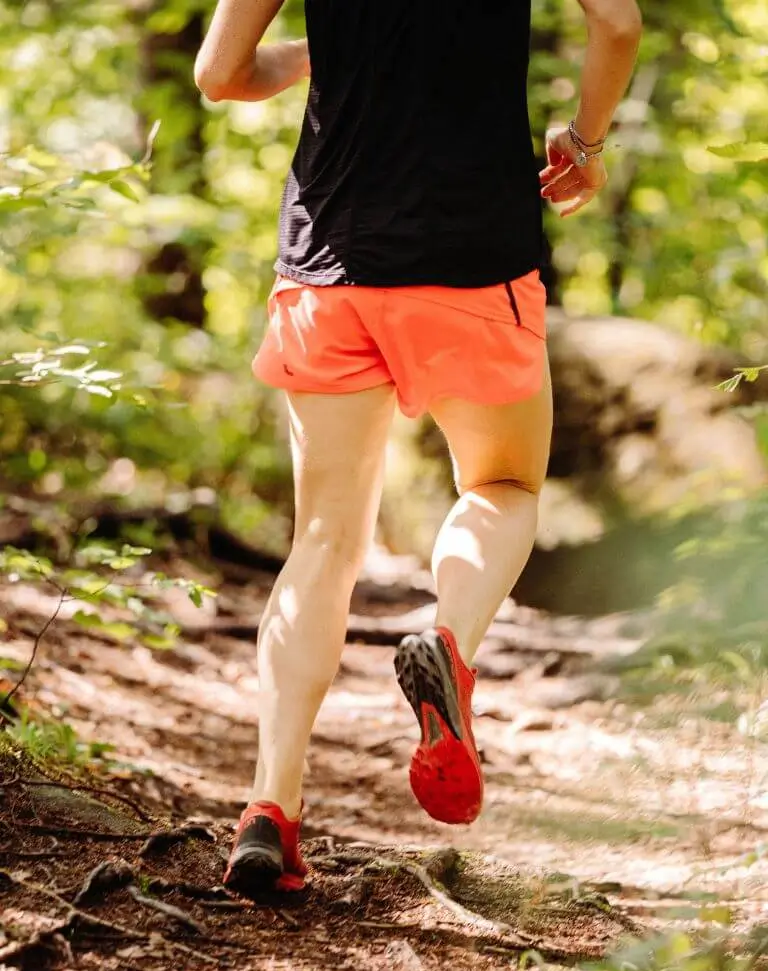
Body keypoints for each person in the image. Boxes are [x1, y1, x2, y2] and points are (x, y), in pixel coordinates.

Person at [195, 0, 642, 897]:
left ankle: (270, 809)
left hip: (330, 259)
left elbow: (220, 75)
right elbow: (619, 24)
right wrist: (584, 145)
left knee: (323, 540)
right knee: (504, 483)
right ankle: (449, 641)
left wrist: (331, 51)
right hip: (475, 256)